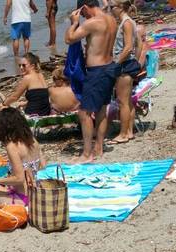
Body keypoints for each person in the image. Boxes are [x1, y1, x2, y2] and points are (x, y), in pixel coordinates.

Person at [64, 0, 118, 163]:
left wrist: (74, 23)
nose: (82, 16)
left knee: (84, 112)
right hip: (109, 67)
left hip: (97, 71)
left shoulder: (92, 22)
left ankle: (87, 154)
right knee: (101, 109)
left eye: (82, 12)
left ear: (85, 7)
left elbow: (69, 39)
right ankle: (98, 147)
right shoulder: (111, 19)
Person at [0, 108, 46, 205]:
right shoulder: (32, 139)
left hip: (23, 198)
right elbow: (42, 165)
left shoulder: (12, 146)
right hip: (36, 192)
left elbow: (19, 178)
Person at [108, 0, 142, 143]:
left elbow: (128, 47)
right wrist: (137, 61)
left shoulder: (126, 23)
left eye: (112, 7)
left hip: (124, 65)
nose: (110, 10)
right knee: (127, 101)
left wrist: (116, 63)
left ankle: (123, 134)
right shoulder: (128, 22)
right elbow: (138, 44)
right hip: (128, 63)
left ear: (120, 8)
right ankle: (128, 131)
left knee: (122, 102)